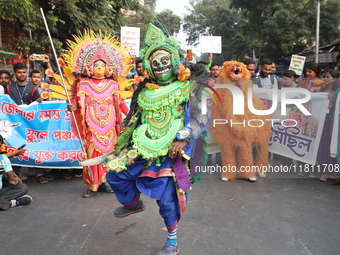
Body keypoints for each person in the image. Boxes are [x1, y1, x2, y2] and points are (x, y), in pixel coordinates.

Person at [102, 24, 202, 255]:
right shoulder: (144, 92)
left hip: (170, 153)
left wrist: (182, 139)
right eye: (155, 64)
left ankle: (172, 241)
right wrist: (124, 143)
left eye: (165, 61)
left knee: (167, 200)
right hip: (142, 147)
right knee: (114, 174)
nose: (160, 67)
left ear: (174, 62)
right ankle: (133, 203)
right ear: (149, 67)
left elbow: (199, 118)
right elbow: (135, 119)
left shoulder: (188, 87)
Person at [66, 29, 131, 198]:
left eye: (102, 65)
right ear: (90, 67)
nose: (100, 68)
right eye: (97, 65)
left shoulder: (113, 85)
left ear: (107, 67)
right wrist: (71, 107)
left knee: (109, 155)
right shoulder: (84, 84)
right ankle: (92, 185)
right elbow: (76, 103)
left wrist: (130, 115)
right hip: (91, 126)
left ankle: (105, 182)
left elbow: (121, 103)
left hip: (109, 126)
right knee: (92, 154)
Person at [318, 70, 340, 181]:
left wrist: (334, 100)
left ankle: (334, 172)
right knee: (323, 145)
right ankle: (324, 171)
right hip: (323, 120)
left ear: (335, 78)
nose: (326, 79)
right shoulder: (322, 90)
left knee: (332, 145)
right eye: (324, 77)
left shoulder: (338, 92)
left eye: (328, 77)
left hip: (334, 121)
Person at [0, 135, 32, 211]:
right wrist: (13, 153)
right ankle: (12, 203)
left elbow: (11, 175)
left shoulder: (3, 158)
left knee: (22, 187)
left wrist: (12, 179)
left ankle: (2, 201)